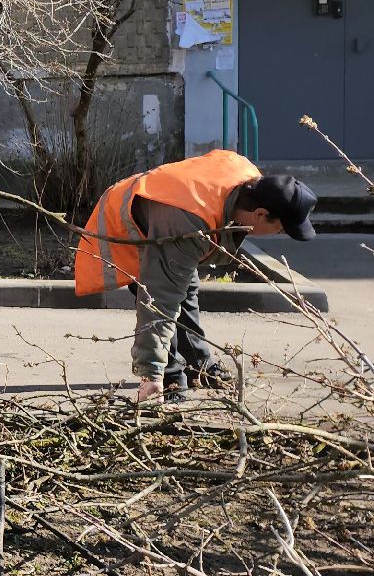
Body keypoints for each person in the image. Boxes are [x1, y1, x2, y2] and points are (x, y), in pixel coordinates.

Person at [75, 153, 317, 403]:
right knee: (163, 299)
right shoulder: (190, 221)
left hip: (169, 215)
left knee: (186, 291)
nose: (276, 235)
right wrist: (151, 374)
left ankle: (198, 365)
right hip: (126, 224)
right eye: (279, 230)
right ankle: (167, 379)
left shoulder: (247, 176)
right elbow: (159, 300)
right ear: (260, 213)